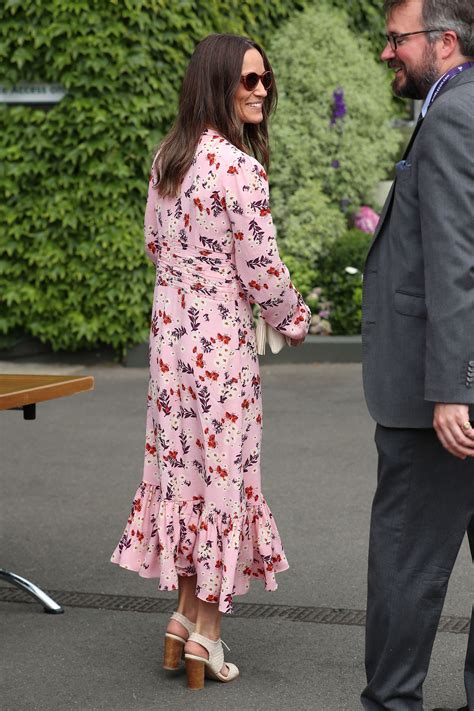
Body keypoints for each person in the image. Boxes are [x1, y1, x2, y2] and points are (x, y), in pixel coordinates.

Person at [111, 33, 310, 690]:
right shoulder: (240, 171)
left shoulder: (169, 157)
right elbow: (262, 270)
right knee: (223, 484)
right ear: (217, 83)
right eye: (248, 80)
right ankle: (208, 637)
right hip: (221, 353)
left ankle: (182, 617)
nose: (261, 91)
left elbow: (149, 242)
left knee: (185, 479)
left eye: (264, 80)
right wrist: (295, 317)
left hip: (170, 352)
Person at [360, 1, 474, 709]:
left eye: (395, 39)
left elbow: (456, 262)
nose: (385, 53)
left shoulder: (455, 117)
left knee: (405, 563)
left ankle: (391, 704)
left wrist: (455, 386)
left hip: (442, 403)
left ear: (445, 41)